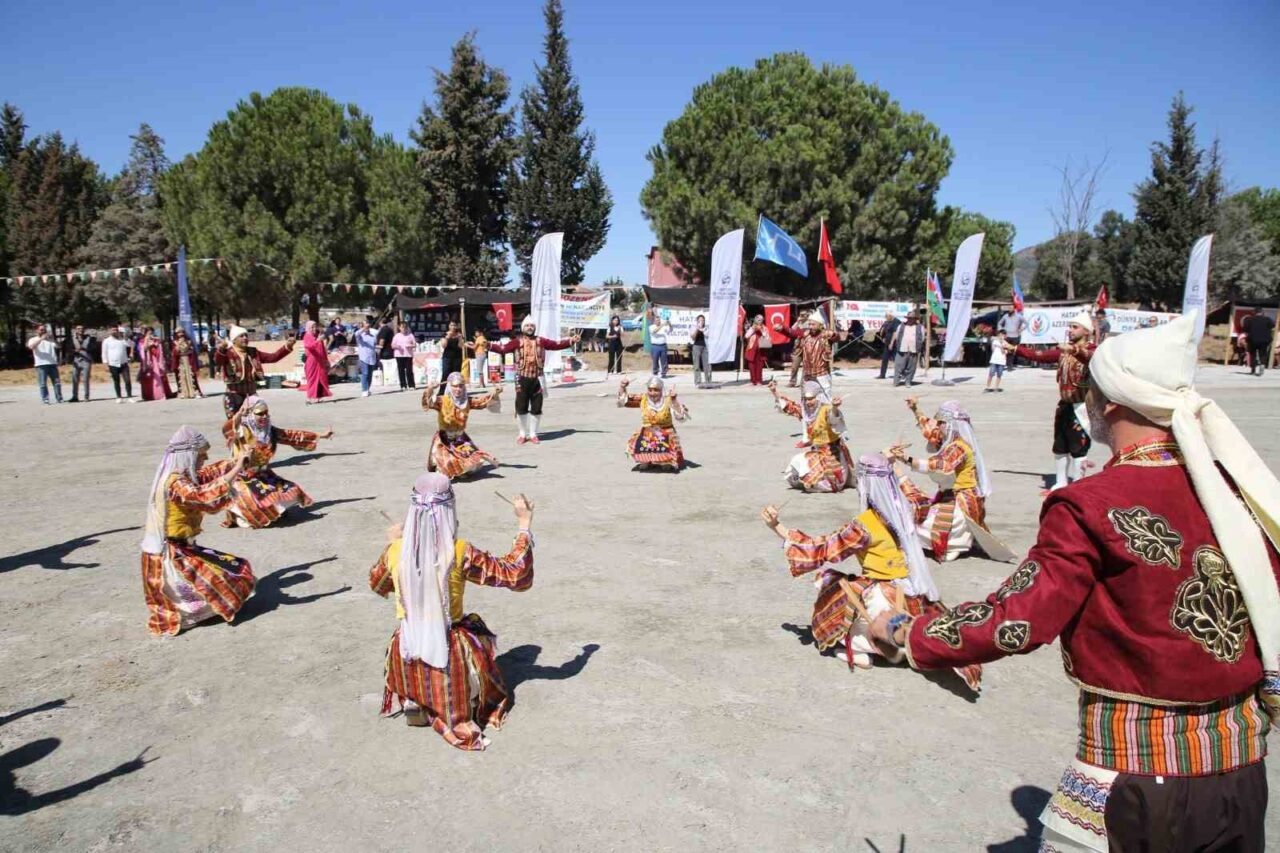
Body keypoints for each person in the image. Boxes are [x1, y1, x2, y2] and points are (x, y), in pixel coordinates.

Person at [870, 313, 1280, 851]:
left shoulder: (1090, 504)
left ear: (1108, 404)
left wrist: (906, 631)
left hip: (1141, 778)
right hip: (1243, 773)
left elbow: (1016, 620)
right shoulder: (1237, 491)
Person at [760, 453, 982, 691]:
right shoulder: (907, 508)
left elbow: (821, 550)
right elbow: (920, 499)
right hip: (913, 593)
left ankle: (859, 647)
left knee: (829, 584)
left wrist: (777, 527)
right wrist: (897, 468)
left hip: (883, 596)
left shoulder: (864, 525)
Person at [369, 474, 535, 751]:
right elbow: (514, 574)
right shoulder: (458, 551)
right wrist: (524, 524)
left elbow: (378, 584)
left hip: (407, 645)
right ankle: (463, 700)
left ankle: (415, 698)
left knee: (408, 645)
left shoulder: (396, 551)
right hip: (449, 648)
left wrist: (394, 544)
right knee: (472, 639)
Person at [140, 427, 255, 636]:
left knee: (238, 570)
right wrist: (237, 467)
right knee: (229, 579)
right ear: (189, 455)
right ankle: (185, 614)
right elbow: (202, 495)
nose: (205, 458)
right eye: (201, 455)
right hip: (171, 554)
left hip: (184, 547)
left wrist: (238, 460)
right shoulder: (175, 483)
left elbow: (209, 473)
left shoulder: (184, 476)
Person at [891, 398, 1013, 563]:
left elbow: (940, 466)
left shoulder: (958, 447)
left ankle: (954, 544)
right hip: (953, 495)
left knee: (923, 523)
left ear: (949, 425)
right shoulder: (952, 441)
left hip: (962, 501)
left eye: (941, 423)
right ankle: (960, 541)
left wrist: (906, 459)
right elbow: (930, 431)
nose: (938, 426)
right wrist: (915, 410)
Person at [1004, 311, 1096, 492]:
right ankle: (1061, 482)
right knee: (1060, 445)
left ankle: (1078, 485)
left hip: (1082, 407)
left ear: (1086, 332)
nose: (1070, 330)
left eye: (1074, 327)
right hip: (1064, 405)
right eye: (1069, 326)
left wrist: (1074, 350)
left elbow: (1089, 357)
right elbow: (1039, 355)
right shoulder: (1064, 350)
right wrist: (1015, 349)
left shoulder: (1093, 350)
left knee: (1079, 446)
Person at [219, 396, 333, 528]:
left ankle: (274, 512)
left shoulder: (270, 431)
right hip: (241, 477)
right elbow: (227, 429)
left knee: (291, 490)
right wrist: (239, 414)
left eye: (266, 413)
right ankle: (243, 516)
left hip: (264, 475)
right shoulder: (242, 430)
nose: (264, 416)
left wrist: (320, 435)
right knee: (257, 499)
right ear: (250, 414)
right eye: (260, 413)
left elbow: (292, 435)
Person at [487, 318, 577, 445]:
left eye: (531, 325)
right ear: (523, 328)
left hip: (537, 378)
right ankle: (523, 434)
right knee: (521, 407)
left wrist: (571, 341)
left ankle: (533, 433)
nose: (529, 327)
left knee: (537, 407)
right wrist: (488, 345)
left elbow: (556, 345)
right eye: (527, 325)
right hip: (521, 378)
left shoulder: (541, 341)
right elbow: (503, 349)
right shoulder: (516, 342)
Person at [769, 379, 854, 493]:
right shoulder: (806, 411)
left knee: (828, 483)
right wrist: (774, 391)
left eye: (811, 399)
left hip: (833, 454)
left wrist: (834, 407)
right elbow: (790, 407)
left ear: (818, 397)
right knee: (796, 463)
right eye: (806, 399)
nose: (809, 402)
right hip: (817, 453)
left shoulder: (826, 409)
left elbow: (834, 419)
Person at [423, 372, 502, 479]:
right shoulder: (442, 401)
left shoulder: (467, 401)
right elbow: (428, 403)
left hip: (461, 439)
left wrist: (495, 393)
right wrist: (430, 388)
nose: (458, 389)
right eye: (455, 386)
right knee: (445, 465)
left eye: (461, 386)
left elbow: (482, 402)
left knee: (476, 462)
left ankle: (460, 469)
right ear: (449, 386)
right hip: (444, 439)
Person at [213, 326, 297, 415]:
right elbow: (218, 361)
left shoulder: (253, 352)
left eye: (246, 335)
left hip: (251, 395)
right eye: (241, 336)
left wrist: (288, 346)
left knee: (256, 422)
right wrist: (221, 349)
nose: (245, 338)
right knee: (235, 424)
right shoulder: (228, 353)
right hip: (234, 395)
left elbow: (273, 357)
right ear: (234, 340)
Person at [617, 376, 689, 471]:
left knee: (666, 463)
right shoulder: (643, 398)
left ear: (661, 390)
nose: (652, 393)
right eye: (650, 390)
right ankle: (646, 460)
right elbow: (624, 402)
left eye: (656, 390)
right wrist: (622, 387)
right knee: (643, 439)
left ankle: (665, 460)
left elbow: (681, 417)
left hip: (666, 431)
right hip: (647, 431)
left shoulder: (668, 399)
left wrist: (674, 400)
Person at [776, 313, 845, 399]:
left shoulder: (826, 335)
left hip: (822, 373)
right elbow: (792, 333)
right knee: (806, 399)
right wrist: (782, 329)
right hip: (807, 374)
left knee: (825, 400)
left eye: (813, 324)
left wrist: (834, 335)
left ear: (820, 325)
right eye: (809, 324)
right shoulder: (805, 333)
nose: (810, 326)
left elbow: (837, 338)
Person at [27, 324, 63, 404]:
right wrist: (41, 339)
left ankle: (59, 398)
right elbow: (31, 347)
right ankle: (45, 398)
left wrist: (52, 339)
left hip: (52, 363)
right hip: (41, 364)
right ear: (37, 331)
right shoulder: (33, 339)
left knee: (57, 382)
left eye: (44, 330)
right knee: (43, 383)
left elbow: (59, 346)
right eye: (41, 329)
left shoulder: (50, 340)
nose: (43, 331)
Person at [137, 329, 174, 401]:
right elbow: (143, 350)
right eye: (149, 333)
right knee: (148, 377)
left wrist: (157, 343)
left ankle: (159, 394)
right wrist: (146, 342)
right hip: (147, 361)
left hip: (156, 360)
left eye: (152, 333)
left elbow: (160, 350)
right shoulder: (141, 341)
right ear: (145, 334)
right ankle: (149, 395)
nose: (150, 335)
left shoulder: (156, 340)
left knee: (158, 376)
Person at [301, 320, 333, 404]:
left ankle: (318, 397)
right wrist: (317, 340)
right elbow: (309, 346)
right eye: (312, 327)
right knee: (311, 379)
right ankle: (309, 397)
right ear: (308, 328)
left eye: (315, 327)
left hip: (320, 361)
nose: (314, 329)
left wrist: (326, 360)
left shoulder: (318, 336)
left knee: (320, 379)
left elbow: (323, 349)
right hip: (312, 361)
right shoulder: (307, 336)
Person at [890, 311, 924, 387]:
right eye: (909, 318)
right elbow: (898, 336)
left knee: (911, 368)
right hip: (902, 348)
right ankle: (896, 381)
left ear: (915, 319)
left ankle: (908, 382)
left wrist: (918, 346)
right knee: (898, 366)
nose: (910, 320)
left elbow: (922, 338)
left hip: (913, 349)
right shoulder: (901, 326)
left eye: (912, 318)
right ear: (907, 318)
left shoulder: (920, 327)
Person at [101, 326, 134, 403]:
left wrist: (126, 338)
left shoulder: (122, 339)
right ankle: (119, 397)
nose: (115, 331)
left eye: (116, 330)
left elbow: (132, 344)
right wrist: (105, 363)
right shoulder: (106, 341)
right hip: (113, 364)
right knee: (116, 381)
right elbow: (104, 353)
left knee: (127, 380)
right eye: (113, 330)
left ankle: (129, 396)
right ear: (110, 331)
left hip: (124, 363)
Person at [169, 328, 203, 399]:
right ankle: (183, 393)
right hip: (180, 361)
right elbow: (175, 353)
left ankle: (195, 392)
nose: (181, 334)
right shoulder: (175, 342)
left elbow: (192, 351)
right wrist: (178, 345)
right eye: (179, 333)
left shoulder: (189, 341)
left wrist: (188, 349)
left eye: (182, 332)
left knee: (191, 376)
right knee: (181, 376)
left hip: (189, 361)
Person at [1242, 309, 1274, 376]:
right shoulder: (1267, 319)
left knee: (1252, 354)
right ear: (1262, 313)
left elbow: (1245, 329)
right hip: (1264, 340)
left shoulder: (1249, 319)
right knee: (1263, 354)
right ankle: (1262, 367)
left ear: (1254, 312)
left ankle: (1253, 370)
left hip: (1253, 339)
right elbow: (1272, 326)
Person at [67, 324, 95, 402]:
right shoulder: (72, 339)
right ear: (76, 330)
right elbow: (68, 349)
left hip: (86, 360)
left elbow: (93, 348)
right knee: (75, 379)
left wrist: (84, 348)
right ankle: (75, 396)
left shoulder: (90, 338)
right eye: (78, 329)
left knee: (86, 379)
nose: (80, 330)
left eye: (82, 329)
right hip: (76, 360)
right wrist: (74, 351)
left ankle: (86, 396)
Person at [353, 321, 379, 397]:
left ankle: (368, 389)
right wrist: (363, 329)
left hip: (372, 357)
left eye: (368, 326)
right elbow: (356, 334)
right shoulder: (360, 335)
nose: (367, 328)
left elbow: (374, 345)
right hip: (363, 357)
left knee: (370, 374)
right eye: (366, 326)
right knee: (365, 373)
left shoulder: (373, 335)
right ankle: (364, 390)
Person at [786, 309, 810, 388]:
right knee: (794, 366)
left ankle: (803, 382)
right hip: (798, 347)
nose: (802, 316)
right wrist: (797, 321)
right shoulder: (798, 323)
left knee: (806, 367)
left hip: (807, 346)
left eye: (804, 315)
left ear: (807, 315)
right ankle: (792, 381)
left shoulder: (810, 323)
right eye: (801, 314)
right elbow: (791, 330)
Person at [438, 321, 463, 394]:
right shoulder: (445, 334)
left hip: (457, 357)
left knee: (456, 375)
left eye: (454, 325)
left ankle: (455, 391)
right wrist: (447, 337)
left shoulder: (459, 334)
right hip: (447, 357)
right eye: (451, 325)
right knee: (445, 374)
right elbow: (443, 345)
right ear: (449, 326)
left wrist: (460, 338)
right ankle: (442, 391)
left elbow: (461, 346)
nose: (453, 327)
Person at [391, 323, 417, 391]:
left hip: (408, 355)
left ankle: (411, 385)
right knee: (401, 370)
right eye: (402, 327)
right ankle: (403, 385)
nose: (404, 329)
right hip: (399, 355)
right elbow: (392, 345)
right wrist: (397, 346)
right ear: (399, 328)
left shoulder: (410, 335)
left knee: (409, 370)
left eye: (405, 327)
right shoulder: (396, 336)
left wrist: (410, 346)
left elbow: (414, 344)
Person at [743, 315, 768, 386]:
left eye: (761, 320)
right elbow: (746, 336)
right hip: (752, 348)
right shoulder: (752, 328)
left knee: (759, 365)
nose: (759, 321)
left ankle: (759, 381)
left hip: (761, 349)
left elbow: (766, 336)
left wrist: (760, 330)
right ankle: (752, 380)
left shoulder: (764, 328)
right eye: (758, 320)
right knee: (751, 365)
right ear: (755, 320)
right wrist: (753, 329)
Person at [877, 311, 900, 380]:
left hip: (894, 344)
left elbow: (895, 333)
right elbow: (883, 331)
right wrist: (883, 337)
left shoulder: (896, 321)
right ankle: (882, 374)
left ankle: (901, 373)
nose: (886, 318)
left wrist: (892, 343)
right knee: (884, 358)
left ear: (891, 316)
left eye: (887, 316)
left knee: (897, 359)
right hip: (887, 343)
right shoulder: (887, 322)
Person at [648, 310, 671, 377]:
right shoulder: (651, 327)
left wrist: (669, 324)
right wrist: (662, 325)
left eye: (659, 320)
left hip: (663, 345)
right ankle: (655, 372)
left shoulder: (664, 327)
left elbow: (670, 330)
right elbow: (654, 331)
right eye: (657, 320)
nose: (658, 321)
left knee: (664, 360)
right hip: (655, 346)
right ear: (654, 321)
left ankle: (664, 373)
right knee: (655, 359)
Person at [690, 314, 711, 387]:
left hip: (705, 348)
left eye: (703, 320)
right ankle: (698, 382)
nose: (701, 321)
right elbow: (692, 337)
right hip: (696, 347)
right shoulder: (694, 327)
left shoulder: (706, 328)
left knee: (707, 365)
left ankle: (708, 381)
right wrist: (697, 329)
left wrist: (703, 330)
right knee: (697, 365)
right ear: (697, 321)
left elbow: (708, 335)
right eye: (700, 320)